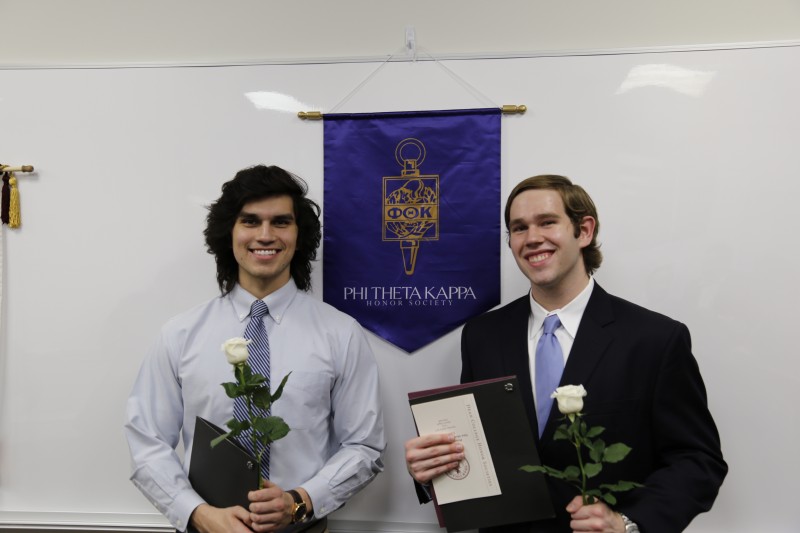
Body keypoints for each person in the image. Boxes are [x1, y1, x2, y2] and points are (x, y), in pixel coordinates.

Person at [404, 175, 727, 533]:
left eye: (547, 222)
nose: (532, 238)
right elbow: (482, 452)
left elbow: (697, 460)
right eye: (519, 228)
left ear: (584, 231)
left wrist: (629, 524)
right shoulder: (482, 335)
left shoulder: (655, 339)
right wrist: (431, 469)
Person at [125, 165, 385, 533]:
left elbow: (364, 446)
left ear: (299, 235)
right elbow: (147, 441)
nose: (265, 235)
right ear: (228, 232)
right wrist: (198, 513)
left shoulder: (340, 334)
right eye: (250, 221)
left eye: (281, 222)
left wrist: (299, 500)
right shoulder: (180, 334)